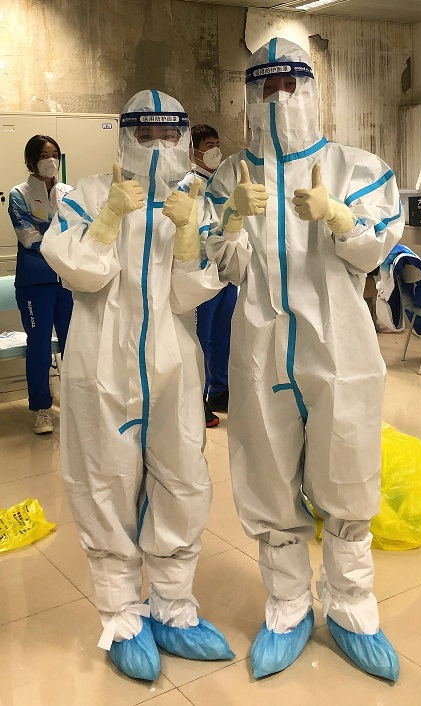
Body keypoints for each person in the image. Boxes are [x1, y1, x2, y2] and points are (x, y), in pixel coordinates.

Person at [205, 38, 404, 681]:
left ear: (312, 90)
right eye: (265, 86)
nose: (278, 97)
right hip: (260, 350)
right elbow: (226, 268)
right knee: (266, 473)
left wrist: (339, 217)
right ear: (249, 94)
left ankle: (351, 610)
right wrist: (229, 219)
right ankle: (288, 608)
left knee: (348, 470)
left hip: (340, 347)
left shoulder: (356, 165)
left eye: (290, 84)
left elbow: (373, 252)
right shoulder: (231, 175)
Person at [41, 90, 233, 682]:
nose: (155, 148)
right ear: (124, 136)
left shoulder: (194, 200)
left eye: (167, 137)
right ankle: (122, 616)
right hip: (102, 364)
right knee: (104, 482)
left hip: (173, 365)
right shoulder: (85, 194)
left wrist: (187, 234)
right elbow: (78, 271)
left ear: (182, 140)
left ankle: (173, 606)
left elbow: (191, 293)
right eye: (143, 136)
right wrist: (107, 219)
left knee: (182, 478)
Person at [8, 135, 73, 433]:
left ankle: (77, 403)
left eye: (55, 154)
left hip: (68, 279)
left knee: (75, 343)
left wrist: (45, 227)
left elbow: (78, 231)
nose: (51, 160)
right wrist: (57, 230)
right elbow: (28, 237)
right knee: (39, 345)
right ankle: (41, 408)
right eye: (45, 155)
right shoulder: (18, 194)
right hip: (35, 282)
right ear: (30, 161)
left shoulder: (68, 192)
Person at [179, 125, 237, 427]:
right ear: (193, 152)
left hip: (225, 270)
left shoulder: (224, 181)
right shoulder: (187, 185)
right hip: (201, 272)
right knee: (200, 338)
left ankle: (219, 389)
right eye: (208, 145)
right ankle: (197, 399)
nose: (215, 150)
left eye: (217, 143)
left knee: (223, 334)